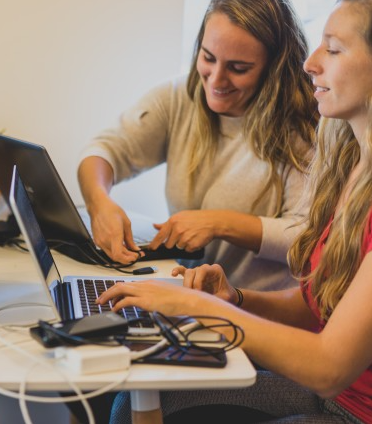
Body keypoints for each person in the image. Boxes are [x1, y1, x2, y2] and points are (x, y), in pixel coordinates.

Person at [99, 1, 372, 422]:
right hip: (329, 395)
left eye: (333, 50)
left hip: (350, 408)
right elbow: (317, 303)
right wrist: (236, 298)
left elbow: (329, 368)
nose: (311, 63)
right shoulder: (350, 167)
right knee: (133, 402)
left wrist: (205, 309)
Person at [78, 0, 318, 292]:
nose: (216, 79)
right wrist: (99, 203)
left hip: (260, 312)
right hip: (191, 299)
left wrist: (220, 224)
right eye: (208, 57)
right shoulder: (180, 97)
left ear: (275, 68)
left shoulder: (303, 127)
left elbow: (308, 239)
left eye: (238, 68)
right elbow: (105, 150)